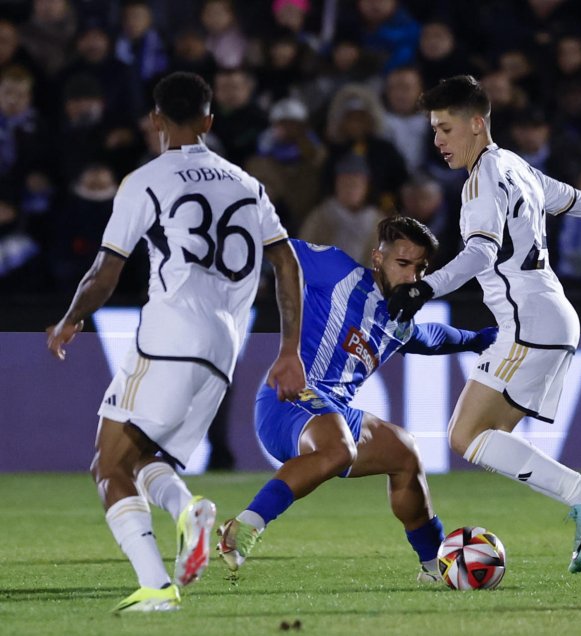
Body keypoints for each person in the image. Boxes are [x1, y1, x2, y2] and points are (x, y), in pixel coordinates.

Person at [45, 71, 306, 613]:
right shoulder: (246, 182)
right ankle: (190, 513)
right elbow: (286, 262)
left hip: (170, 333)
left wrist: (70, 319)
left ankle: (157, 587)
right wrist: (288, 349)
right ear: (209, 121)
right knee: (146, 458)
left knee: (109, 465)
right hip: (222, 349)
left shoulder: (146, 179)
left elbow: (105, 270)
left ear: (155, 121)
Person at [387, 75, 581, 574]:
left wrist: (424, 289)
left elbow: (480, 252)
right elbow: (579, 200)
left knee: (465, 436)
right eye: (433, 131)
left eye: (446, 128)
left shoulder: (481, 181)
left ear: (477, 123)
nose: (438, 141)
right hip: (548, 317)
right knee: (485, 437)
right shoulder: (516, 165)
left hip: (529, 323)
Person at [217, 217, 498, 582]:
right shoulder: (336, 270)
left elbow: (432, 337)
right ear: (378, 259)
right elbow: (273, 246)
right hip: (288, 399)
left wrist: (477, 339)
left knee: (404, 451)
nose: (412, 278)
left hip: (332, 413)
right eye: (403, 264)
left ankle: (435, 566)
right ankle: (242, 530)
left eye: (420, 268)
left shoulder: (397, 321)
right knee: (340, 450)